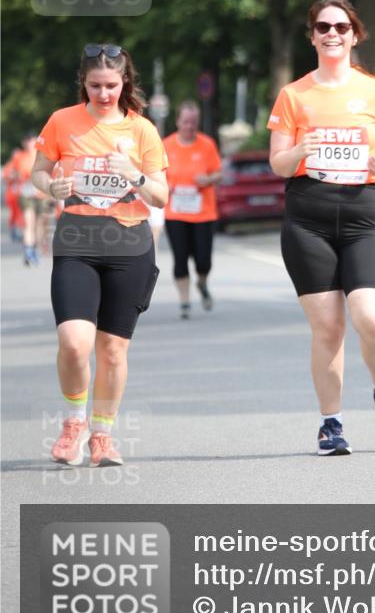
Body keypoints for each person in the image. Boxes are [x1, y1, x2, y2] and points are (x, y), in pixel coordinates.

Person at [268, 0, 375, 456]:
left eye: (340, 26)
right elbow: (278, 162)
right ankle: (330, 425)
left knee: (373, 319)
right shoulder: (293, 95)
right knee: (330, 328)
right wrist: (300, 150)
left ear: (355, 34)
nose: (331, 33)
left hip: (360, 214)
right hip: (308, 216)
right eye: (322, 27)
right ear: (312, 36)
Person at [31, 44, 169, 467]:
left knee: (112, 351)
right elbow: (38, 170)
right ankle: (75, 421)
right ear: (83, 83)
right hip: (77, 240)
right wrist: (48, 186)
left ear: (124, 82)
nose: (104, 94)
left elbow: (161, 195)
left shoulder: (142, 129)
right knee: (74, 343)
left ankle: (103, 435)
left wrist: (135, 175)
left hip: (129, 245)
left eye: (111, 86)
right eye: (95, 86)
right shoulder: (62, 121)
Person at [163, 101, 222, 319]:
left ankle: (202, 282)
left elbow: (219, 173)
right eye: (186, 121)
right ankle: (184, 302)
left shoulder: (207, 144)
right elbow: (156, 173)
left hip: (203, 213)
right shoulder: (166, 145)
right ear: (178, 121)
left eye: (193, 122)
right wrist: (164, 186)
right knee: (180, 258)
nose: (189, 126)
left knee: (203, 260)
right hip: (176, 212)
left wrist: (208, 179)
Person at [12, 134, 51, 264]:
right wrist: (19, 176)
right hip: (26, 193)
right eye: (26, 140)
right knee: (29, 222)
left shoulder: (42, 155)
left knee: (39, 224)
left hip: (41, 194)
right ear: (24, 143)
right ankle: (28, 251)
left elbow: (50, 172)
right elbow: (13, 173)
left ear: (36, 141)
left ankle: (35, 248)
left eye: (31, 140)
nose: (29, 143)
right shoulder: (19, 157)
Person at [2, 147, 25, 243]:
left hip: (20, 194)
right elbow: (5, 178)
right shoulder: (9, 165)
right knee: (13, 215)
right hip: (11, 195)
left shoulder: (21, 164)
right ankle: (13, 232)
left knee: (22, 214)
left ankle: (21, 232)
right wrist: (13, 176)